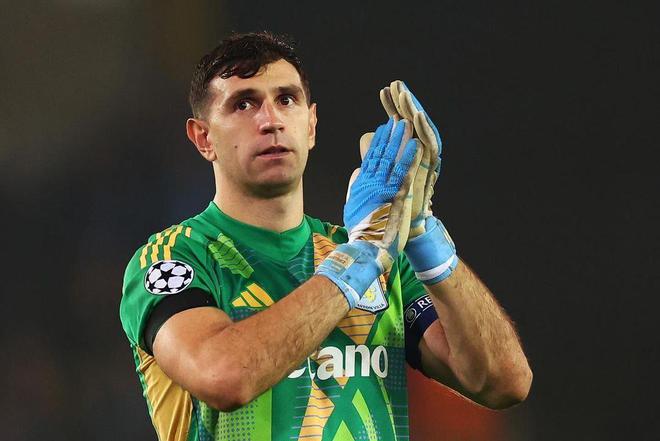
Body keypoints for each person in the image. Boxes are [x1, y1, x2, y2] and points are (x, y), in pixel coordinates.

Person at [119, 31, 532, 441]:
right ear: (203, 137)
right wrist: (358, 258)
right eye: (243, 104)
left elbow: (504, 383)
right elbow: (224, 377)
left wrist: (425, 238)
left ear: (311, 125)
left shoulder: (381, 255)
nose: (271, 121)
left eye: (286, 99)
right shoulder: (174, 259)